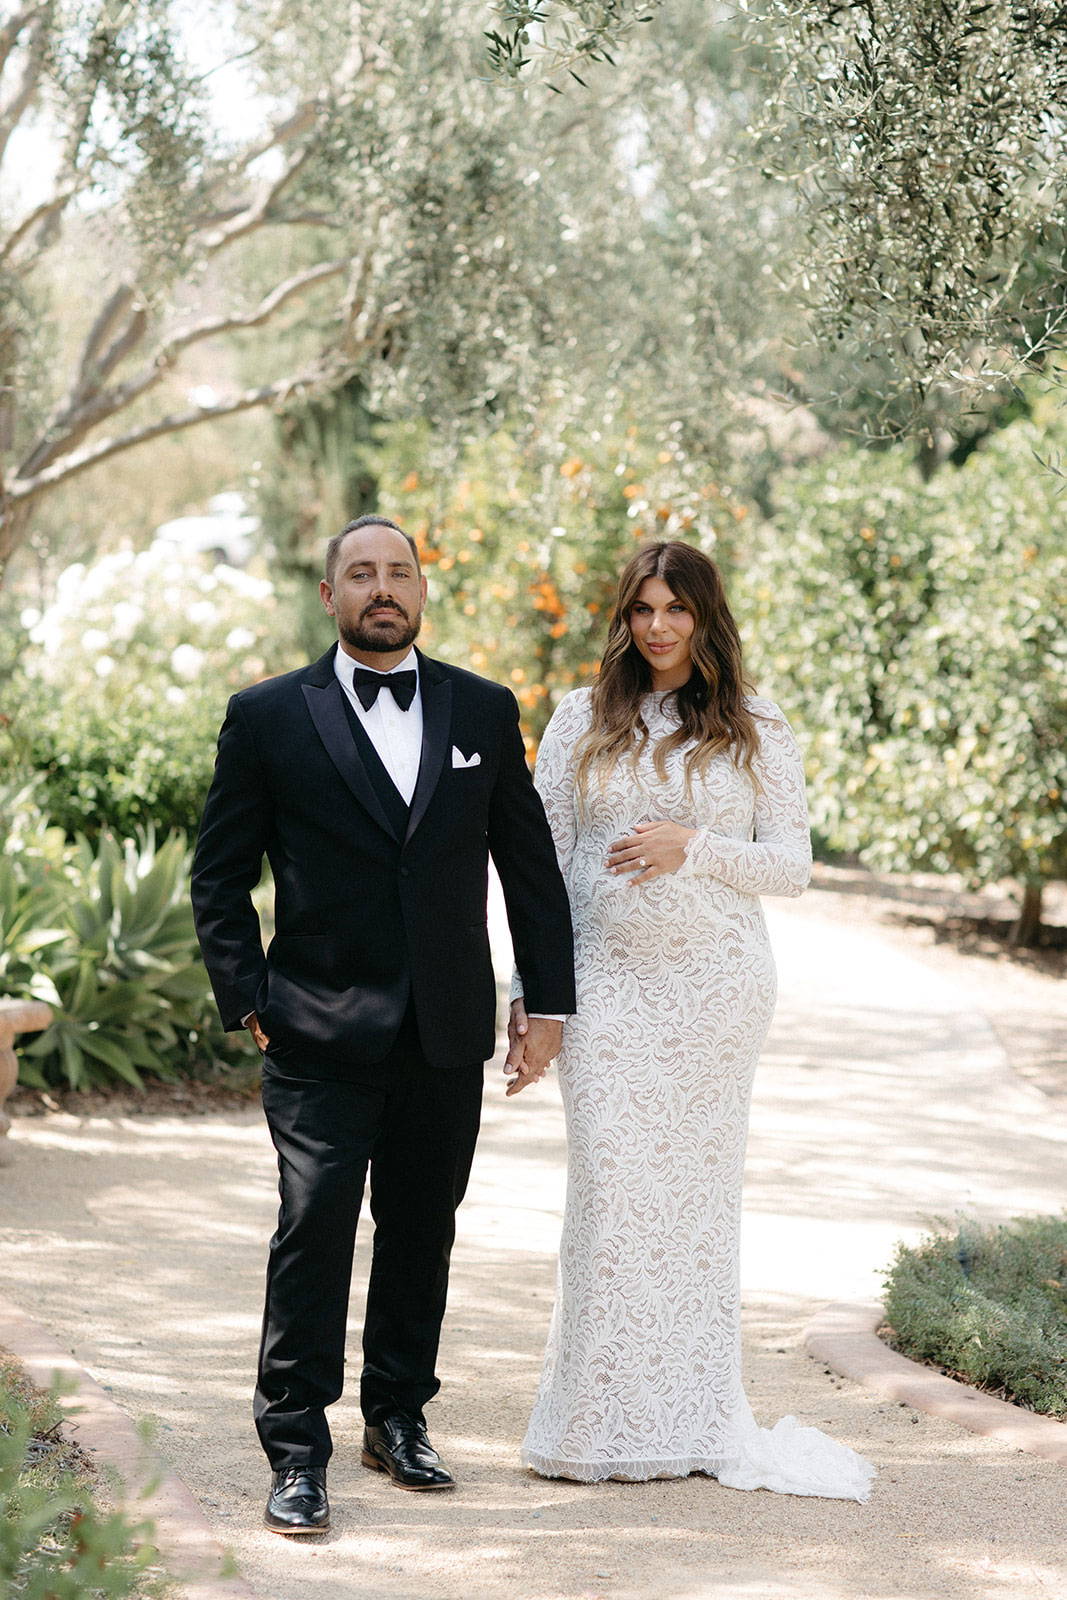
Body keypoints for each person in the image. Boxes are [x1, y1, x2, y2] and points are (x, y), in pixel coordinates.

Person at [191, 515, 575, 1535]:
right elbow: (219, 875)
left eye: (397, 572)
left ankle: (397, 1416)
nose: (380, 588)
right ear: (329, 595)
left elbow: (527, 868)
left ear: (420, 590)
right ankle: (295, 1447)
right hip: (313, 1029)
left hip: (444, 1030)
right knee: (312, 1228)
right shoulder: (268, 714)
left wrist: (548, 1001)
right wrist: (249, 998)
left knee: (421, 1229)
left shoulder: (483, 711)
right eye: (359, 573)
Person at [508, 540, 874, 1500]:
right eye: (642, 610)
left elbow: (791, 864)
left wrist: (695, 847)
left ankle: (689, 1416)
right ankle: (591, 1423)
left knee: (696, 1212)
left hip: (715, 992)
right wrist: (529, 994)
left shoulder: (757, 724)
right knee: (611, 1196)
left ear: (707, 617)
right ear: (623, 619)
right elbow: (536, 866)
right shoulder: (581, 718)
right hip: (606, 985)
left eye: (676, 610)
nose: (659, 628)